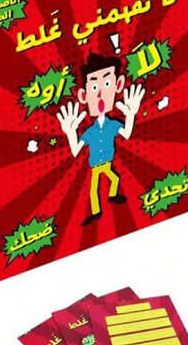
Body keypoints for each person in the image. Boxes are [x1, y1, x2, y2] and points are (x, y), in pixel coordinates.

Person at [56, 53, 145, 225]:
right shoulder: (91, 131)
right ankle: (96, 211)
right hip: (96, 165)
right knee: (94, 188)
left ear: (118, 85)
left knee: (115, 178)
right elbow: (75, 150)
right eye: (94, 87)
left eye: (107, 84)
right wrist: (70, 132)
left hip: (107, 162)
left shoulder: (112, 124)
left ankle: (112, 196)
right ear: (84, 96)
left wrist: (131, 114)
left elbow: (127, 133)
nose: (100, 94)